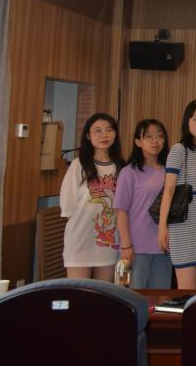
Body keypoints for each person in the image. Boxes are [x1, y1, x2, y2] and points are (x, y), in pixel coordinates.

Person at [158, 99, 196, 289]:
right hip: (184, 227)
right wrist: (162, 227)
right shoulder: (179, 150)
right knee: (187, 290)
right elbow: (168, 191)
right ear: (187, 122)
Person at [60, 113, 125, 280]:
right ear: (88, 136)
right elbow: (67, 207)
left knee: (104, 292)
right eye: (98, 130)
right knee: (79, 292)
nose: (104, 135)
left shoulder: (122, 167)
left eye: (109, 130)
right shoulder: (78, 165)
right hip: (80, 239)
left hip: (109, 241)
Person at [115, 119, 172, 288]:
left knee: (160, 298)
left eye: (160, 136)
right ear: (138, 142)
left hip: (164, 247)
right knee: (132, 296)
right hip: (136, 247)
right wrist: (126, 246)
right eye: (149, 137)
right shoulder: (128, 172)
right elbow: (121, 211)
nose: (155, 141)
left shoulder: (170, 171)